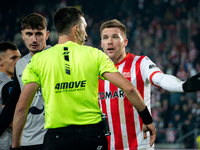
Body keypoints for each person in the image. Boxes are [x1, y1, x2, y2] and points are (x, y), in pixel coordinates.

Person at [11, 6, 156, 150]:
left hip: (58, 138)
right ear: (76, 29)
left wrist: (16, 145)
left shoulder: (38, 61)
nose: (85, 33)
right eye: (84, 28)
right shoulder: (95, 54)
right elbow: (129, 88)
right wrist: (147, 119)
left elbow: (22, 108)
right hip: (91, 136)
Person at [98, 19, 200, 150]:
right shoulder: (96, 70)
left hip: (140, 145)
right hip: (109, 146)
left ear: (125, 42)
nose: (110, 41)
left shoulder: (140, 63)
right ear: (101, 43)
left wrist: (182, 86)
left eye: (115, 37)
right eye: (105, 37)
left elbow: (160, 78)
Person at [0, 13, 51, 150]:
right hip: (28, 139)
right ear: (22, 35)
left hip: (52, 137)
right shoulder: (21, 64)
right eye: (29, 34)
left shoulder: (57, 57)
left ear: (47, 35)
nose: (34, 39)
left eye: (38, 34)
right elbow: (13, 104)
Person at [0, 41, 21, 150]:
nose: (18, 62)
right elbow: (11, 122)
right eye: (13, 58)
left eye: (19, 58)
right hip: (4, 143)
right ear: (0, 61)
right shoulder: (8, 85)